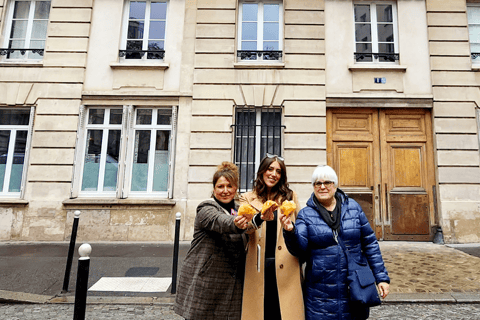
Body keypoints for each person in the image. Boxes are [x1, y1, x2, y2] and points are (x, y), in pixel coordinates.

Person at [281, 165, 390, 320]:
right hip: (321, 291)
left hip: (354, 285)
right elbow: (300, 250)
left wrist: (382, 278)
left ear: (335, 185)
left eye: (327, 182)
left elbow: (370, 243)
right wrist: (290, 231)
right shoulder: (306, 214)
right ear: (313, 187)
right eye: (317, 183)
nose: (322, 187)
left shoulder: (353, 208)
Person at [174, 161, 249, 320]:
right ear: (214, 189)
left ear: (235, 188)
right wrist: (237, 223)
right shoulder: (206, 207)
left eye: (229, 186)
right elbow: (221, 221)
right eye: (220, 186)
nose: (225, 191)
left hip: (231, 285)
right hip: (206, 282)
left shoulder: (239, 209)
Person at [240, 154, 304, 320]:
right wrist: (259, 218)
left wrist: (291, 229)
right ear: (262, 171)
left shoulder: (290, 197)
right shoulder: (247, 198)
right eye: (270, 169)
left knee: (282, 312)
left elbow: (300, 228)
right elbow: (243, 228)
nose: (273, 174)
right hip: (258, 265)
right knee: (262, 312)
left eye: (278, 171)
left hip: (286, 265)